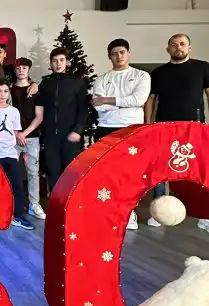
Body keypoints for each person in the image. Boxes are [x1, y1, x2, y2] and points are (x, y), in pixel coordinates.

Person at [144, 33, 209, 234]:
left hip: (194, 127)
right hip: (164, 127)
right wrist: (148, 124)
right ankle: (158, 213)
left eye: (182, 44)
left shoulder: (202, 67)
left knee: (199, 171)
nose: (178, 47)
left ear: (189, 47)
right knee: (161, 170)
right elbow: (150, 100)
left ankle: (205, 216)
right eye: (173, 44)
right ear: (167, 49)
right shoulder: (159, 72)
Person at [92, 39, 151, 231]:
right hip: (106, 128)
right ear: (109, 57)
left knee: (129, 174)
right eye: (114, 53)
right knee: (107, 173)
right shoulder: (102, 79)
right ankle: (109, 211)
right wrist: (123, 103)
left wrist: (108, 100)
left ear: (128, 53)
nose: (119, 56)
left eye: (122, 52)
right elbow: (98, 107)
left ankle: (129, 212)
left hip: (131, 128)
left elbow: (138, 100)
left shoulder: (141, 76)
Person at [0, 80, 34, 230]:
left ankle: (18, 216)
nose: (2, 95)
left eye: (5, 91)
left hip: (10, 154)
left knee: (16, 185)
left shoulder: (14, 112)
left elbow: (15, 132)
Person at [35, 47, 88, 190]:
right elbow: (39, 106)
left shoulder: (77, 82)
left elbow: (83, 109)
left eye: (61, 60)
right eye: (55, 61)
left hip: (70, 135)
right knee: (52, 172)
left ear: (67, 62)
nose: (58, 63)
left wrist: (77, 130)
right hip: (50, 136)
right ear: (51, 64)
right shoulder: (45, 83)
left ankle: (70, 202)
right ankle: (55, 202)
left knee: (70, 172)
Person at [11, 57, 46, 221]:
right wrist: (16, 133)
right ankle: (11, 202)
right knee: (10, 171)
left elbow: (39, 116)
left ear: (28, 70)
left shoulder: (36, 91)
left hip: (31, 138)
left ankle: (34, 204)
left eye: (24, 68)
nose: (21, 70)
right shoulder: (9, 90)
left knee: (33, 172)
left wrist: (24, 133)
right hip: (12, 138)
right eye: (18, 68)